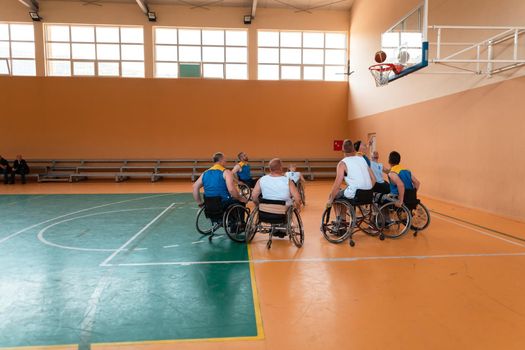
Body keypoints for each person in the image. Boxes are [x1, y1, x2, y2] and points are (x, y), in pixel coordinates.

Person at [327, 139, 376, 206]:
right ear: (354, 149)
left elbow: (337, 185)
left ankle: (340, 216)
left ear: (342, 150)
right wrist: (366, 189)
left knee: (334, 195)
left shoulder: (342, 163)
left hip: (355, 195)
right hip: (369, 194)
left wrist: (331, 199)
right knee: (343, 192)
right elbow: (374, 179)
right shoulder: (362, 159)